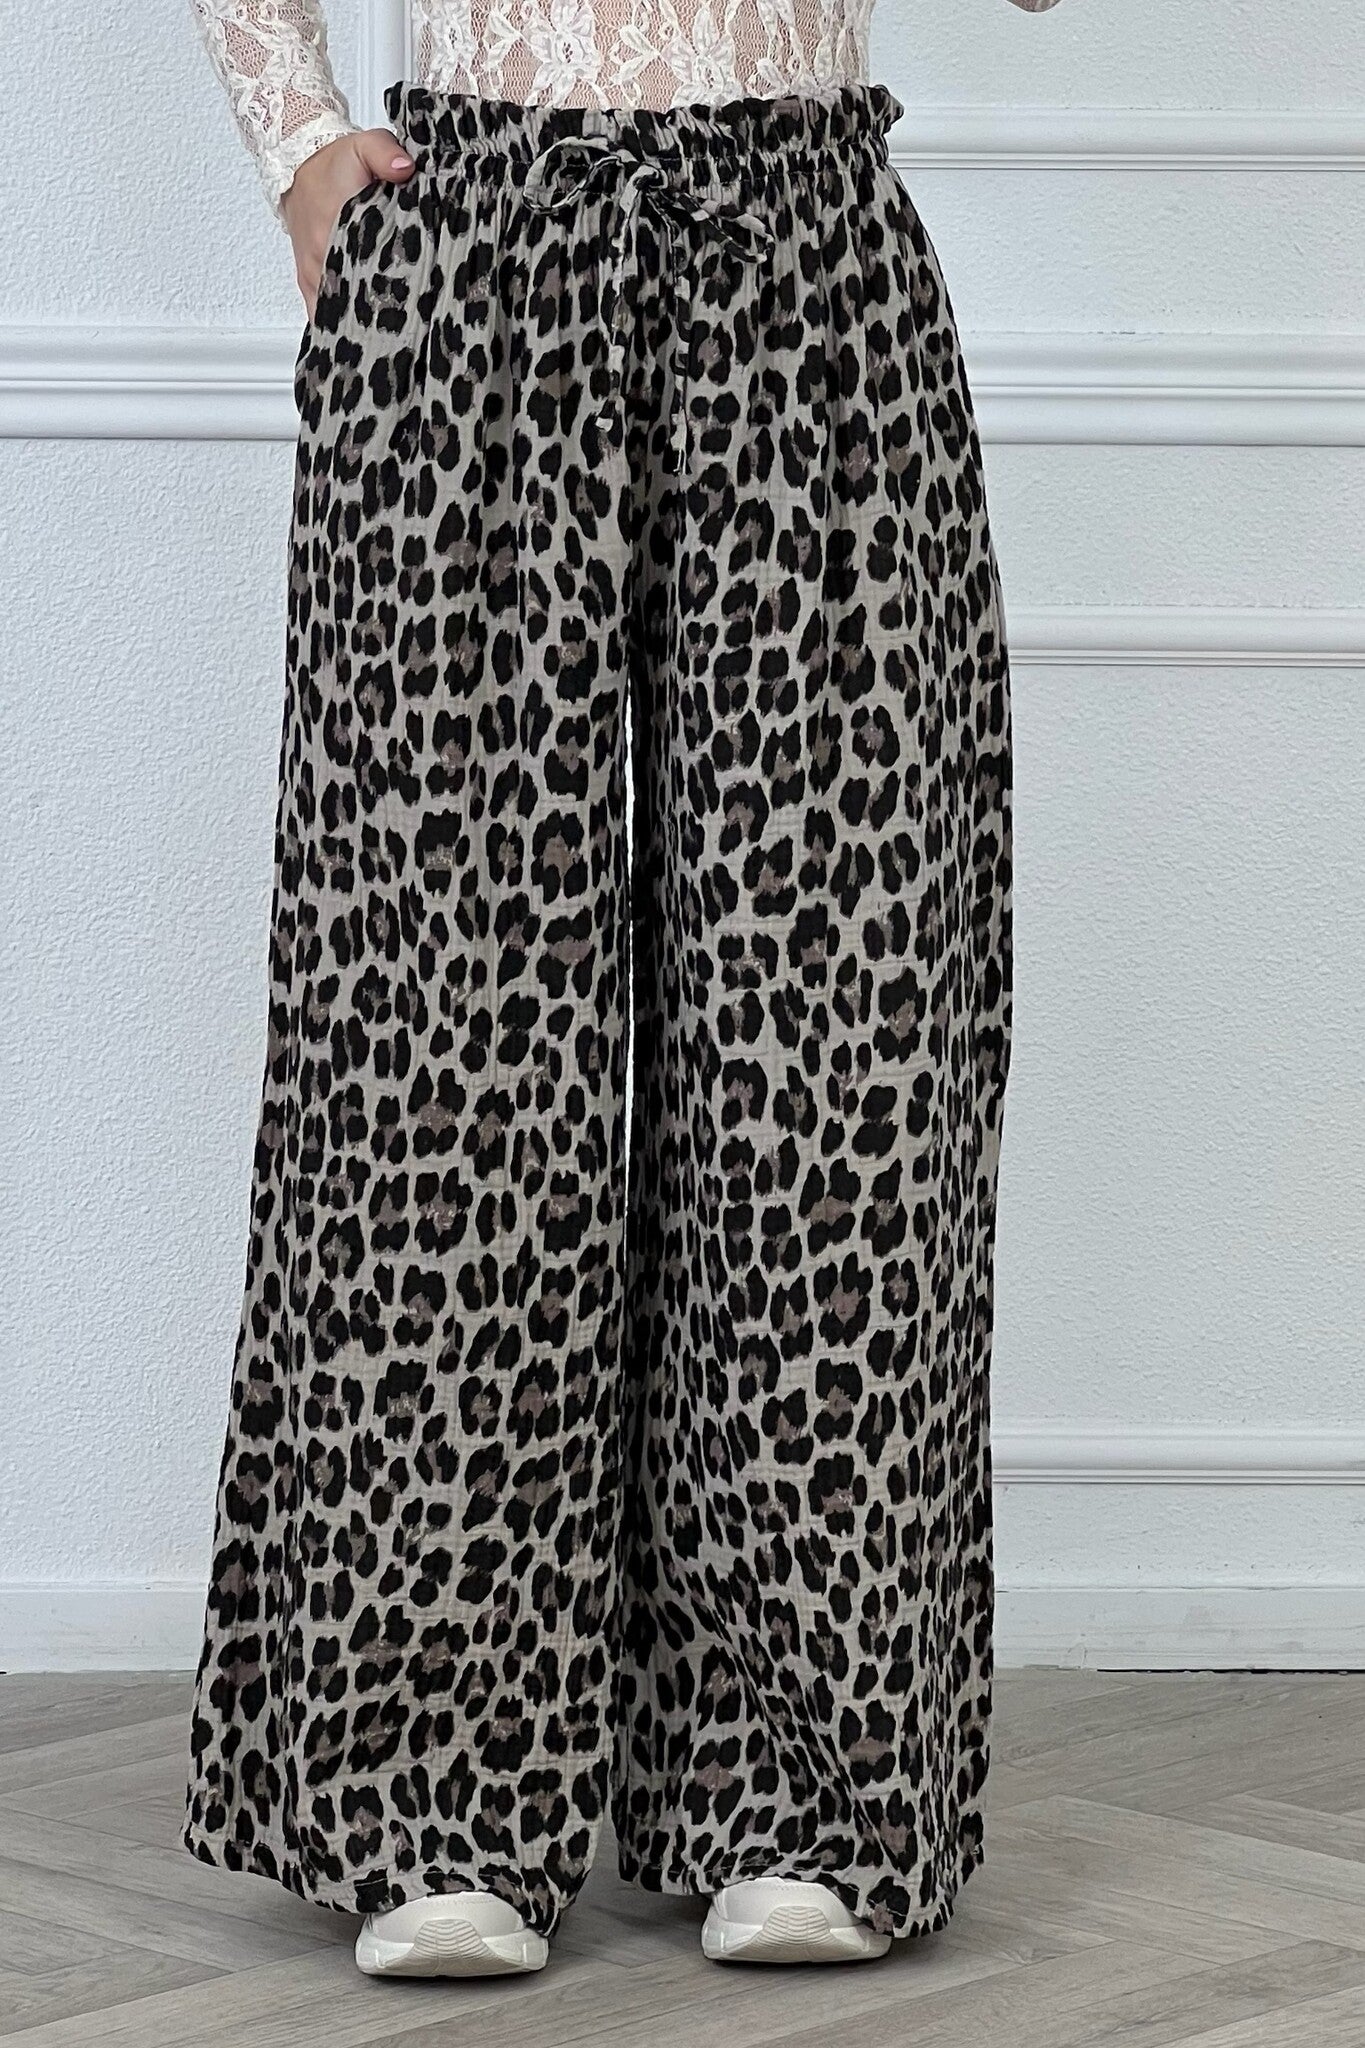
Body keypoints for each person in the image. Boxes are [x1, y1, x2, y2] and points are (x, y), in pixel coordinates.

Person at [184, 0, 1055, 1983]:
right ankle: (428, 1789)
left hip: (809, 261)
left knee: (832, 1046)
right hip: (470, 245)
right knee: (434, 1043)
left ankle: (812, 1782)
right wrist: (294, 134)